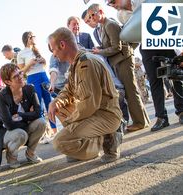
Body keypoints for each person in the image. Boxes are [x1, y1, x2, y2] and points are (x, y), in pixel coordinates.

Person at [48, 27, 122, 163]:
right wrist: (55, 102)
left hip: (106, 115)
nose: (53, 54)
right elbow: (68, 90)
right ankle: (87, 143)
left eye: (53, 49)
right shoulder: (76, 64)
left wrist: (71, 121)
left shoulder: (86, 63)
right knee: (58, 107)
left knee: (60, 142)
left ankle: (107, 141)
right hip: (95, 112)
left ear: (62, 45)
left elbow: (89, 103)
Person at [107, 0, 183, 129]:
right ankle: (161, 117)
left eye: (113, 1)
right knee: (154, 80)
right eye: (109, 4)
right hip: (146, 45)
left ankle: (181, 111)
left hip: (164, 36)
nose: (113, 5)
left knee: (174, 75)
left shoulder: (142, 1)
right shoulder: (121, 16)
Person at [87, 3, 150, 132]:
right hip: (119, 61)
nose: (92, 18)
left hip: (123, 60)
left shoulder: (109, 24)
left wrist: (100, 52)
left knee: (131, 92)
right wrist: (100, 49)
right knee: (132, 91)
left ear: (100, 11)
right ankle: (143, 120)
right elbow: (110, 45)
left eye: (93, 15)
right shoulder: (104, 25)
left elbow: (117, 47)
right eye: (90, 17)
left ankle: (139, 122)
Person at [0, 63, 46, 169]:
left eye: (20, 73)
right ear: (7, 82)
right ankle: (11, 157)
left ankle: (30, 153)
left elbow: (38, 112)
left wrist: (20, 115)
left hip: (20, 127)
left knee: (42, 122)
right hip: (5, 132)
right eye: (15, 76)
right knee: (21, 134)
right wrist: (29, 116)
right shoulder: (2, 95)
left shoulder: (30, 88)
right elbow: (9, 124)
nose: (20, 77)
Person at [17, 31, 57, 133]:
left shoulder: (37, 50)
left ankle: (55, 130)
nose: (35, 38)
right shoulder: (21, 53)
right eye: (33, 36)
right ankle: (44, 133)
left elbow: (44, 64)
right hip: (32, 78)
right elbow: (21, 72)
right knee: (38, 105)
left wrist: (43, 60)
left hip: (43, 75)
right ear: (28, 38)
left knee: (50, 102)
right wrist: (30, 64)